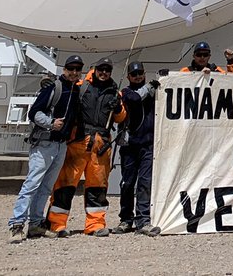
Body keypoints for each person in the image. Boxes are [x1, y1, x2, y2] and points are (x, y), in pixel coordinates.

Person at [48, 58, 128, 236]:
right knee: (65, 185)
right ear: (95, 69)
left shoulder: (115, 92)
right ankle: (56, 224)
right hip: (78, 142)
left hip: (101, 146)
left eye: (107, 70)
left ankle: (95, 225)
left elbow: (121, 118)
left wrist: (117, 108)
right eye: (101, 69)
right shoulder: (81, 86)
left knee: (98, 187)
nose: (104, 73)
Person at [7, 54, 83, 243]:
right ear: (64, 69)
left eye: (77, 69)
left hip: (61, 145)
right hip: (44, 144)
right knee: (32, 184)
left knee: (46, 187)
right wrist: (50, 123)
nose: (74, 72)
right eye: (71, 68)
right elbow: (34, 112)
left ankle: (36, 224)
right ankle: (16, 225)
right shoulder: (54, 88)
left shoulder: (76, 90)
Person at [114, 62, 160, 237]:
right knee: (127, 183)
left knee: (145, 183)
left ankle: (143, 220)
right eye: (134, 74)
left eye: (140, 73)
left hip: (148, 145)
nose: (138, 76)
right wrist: (149, 86)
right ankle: (126, 219)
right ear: (128, 77)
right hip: (129, 146)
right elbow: (134, 99)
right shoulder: (125, 92)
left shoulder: (154, 92)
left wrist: (165, 78)